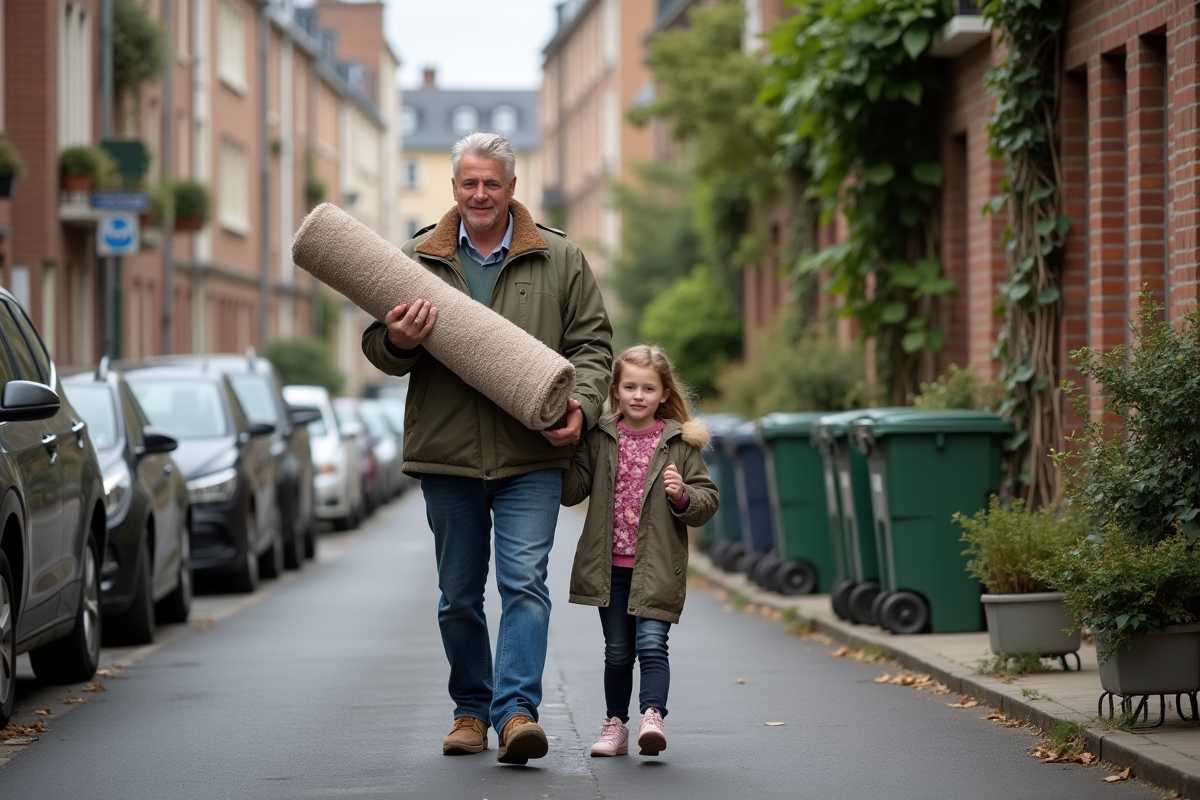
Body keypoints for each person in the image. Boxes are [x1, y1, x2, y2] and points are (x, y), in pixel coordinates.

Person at [360, 132, 613, 765]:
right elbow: (377, 350)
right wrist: (400, 341)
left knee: (526, 582)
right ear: (453, 188)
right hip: (448, 455)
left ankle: (517, 713)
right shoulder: (414, 258)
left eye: (491, 183)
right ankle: (471, 710)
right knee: (458, 595)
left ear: (511, 187)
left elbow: (593, 348)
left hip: (531, 453)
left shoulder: (560, 259)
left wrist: (580, 405)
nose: (479, 194)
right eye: (469, 183)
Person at [561, 344, 718, 758]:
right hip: (608, 566)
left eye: (648, 388)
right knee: (617, 652)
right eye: (629, 386)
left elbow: (707, 501)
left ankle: (652, 716)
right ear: (614, 390)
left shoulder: (680, 444)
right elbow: (572, 490)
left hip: (658, 565)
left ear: (664, 394)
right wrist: (564, 451)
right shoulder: (600, 437)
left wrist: (683, 496)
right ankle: (616, 724)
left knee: (651, 644)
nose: (638, 395)